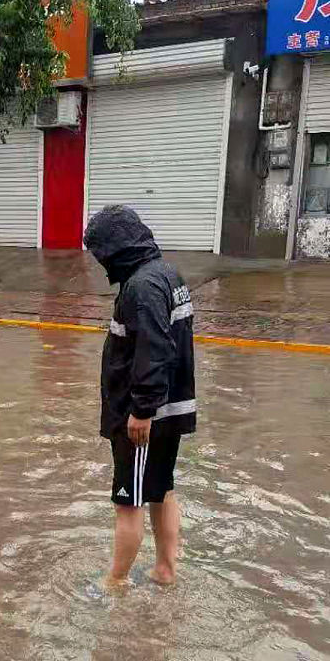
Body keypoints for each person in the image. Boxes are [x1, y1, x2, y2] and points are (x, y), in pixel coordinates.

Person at [83, 205, 196, 587]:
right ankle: (165, 570)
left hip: (143, 419)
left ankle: (115, 582)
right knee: (161, 489)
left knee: (127, 502)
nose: (101, 263)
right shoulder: (167, 274)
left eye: (101, 253)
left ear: (116, 248)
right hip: (170, 410)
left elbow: (154, 349)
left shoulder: (142, 287)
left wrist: (141, 411)